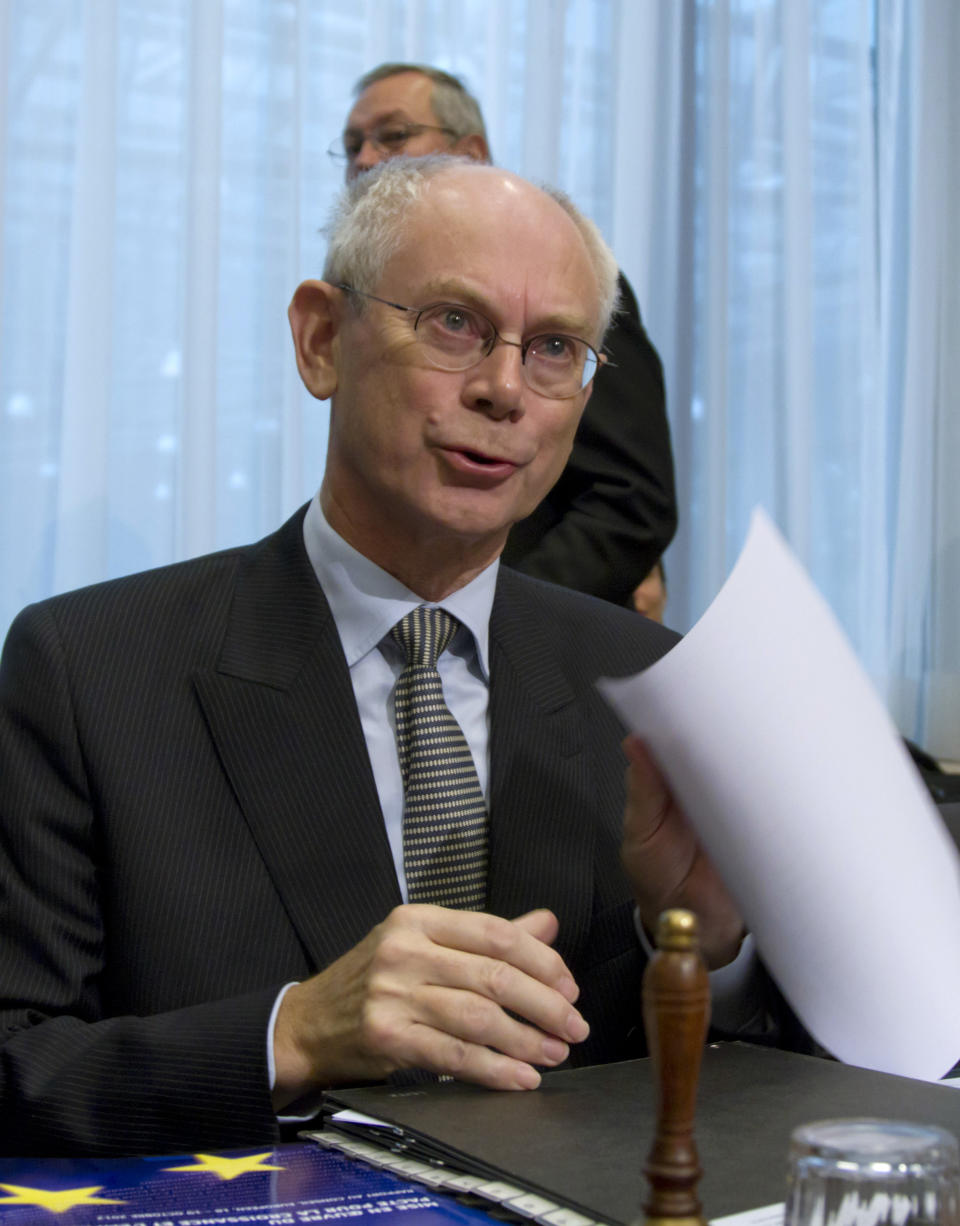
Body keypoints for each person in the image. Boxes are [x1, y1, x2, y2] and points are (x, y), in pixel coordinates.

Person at [0, 158, 746, 1158]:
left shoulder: (651, 680)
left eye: (555, 349)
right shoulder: (90, 670)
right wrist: (292, 1030)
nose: (502, 390)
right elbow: (18, 1060)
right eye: (453, 324)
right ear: (321, 340)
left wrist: (693, 937)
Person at [334, 63, 677, 606]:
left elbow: (630, 502)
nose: (365, 159)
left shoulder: (572, 283)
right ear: (319, 340)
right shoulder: (359, 296)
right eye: (352, 144)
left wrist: (499, 615)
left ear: (470, 153)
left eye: (393, 135)